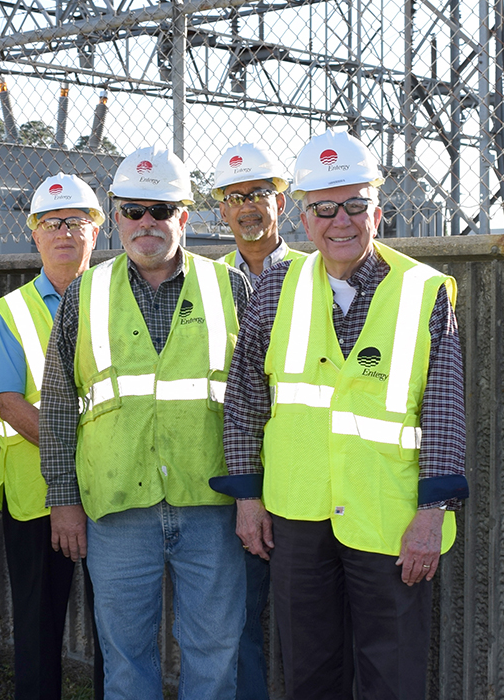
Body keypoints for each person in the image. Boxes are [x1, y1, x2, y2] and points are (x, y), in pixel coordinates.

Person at [216, 130, 468, 700]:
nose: (341, 222)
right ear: (303, 219)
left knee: (393, 671)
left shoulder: (423, 292)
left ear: (377, 210)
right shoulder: (279, 284)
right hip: (297, 513)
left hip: (388, 517)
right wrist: (248, 498)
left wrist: (432, 514)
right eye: (325, 208)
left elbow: (445, 412)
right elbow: (245, 400)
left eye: (355, 205)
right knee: (309, 670)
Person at [39, 147, 252, 699]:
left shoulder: (230, 288)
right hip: (117, 510)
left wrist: (252, 494)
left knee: (214, 651)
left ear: (184, 216)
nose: (146, 222)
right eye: (133, 210)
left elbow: (257, 400)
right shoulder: (85, 294)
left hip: (211, 507)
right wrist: (63, 499)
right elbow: (61, 402)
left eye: (161, 209)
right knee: (125, 659)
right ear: (117, 218)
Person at [0, 173, 105, 699]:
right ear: (33, 233)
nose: (64, 234)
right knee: (37, 627)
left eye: (76, 222)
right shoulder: (9, 312)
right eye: (52, 223)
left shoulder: (115, 299)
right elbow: (8, 403)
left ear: (96, 232)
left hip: (112, 493)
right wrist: (80, 457)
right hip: (36, 499)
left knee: (115, 631)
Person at [211, 141, 308, 699]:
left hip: (299, 471)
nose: (249, 206)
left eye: (260, 194)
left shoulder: (313, 272)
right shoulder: (205, 280)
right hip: (234, 471)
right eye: (235, 196)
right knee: (237, 614)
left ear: (282, 201)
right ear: (221, 208)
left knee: (308, 616)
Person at [213, 142, 306, 283]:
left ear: (279, 204)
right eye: (235, 199)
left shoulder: (308, 270)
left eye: (259, 195)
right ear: (223, 212)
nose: (247, 208)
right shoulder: (212, 276)